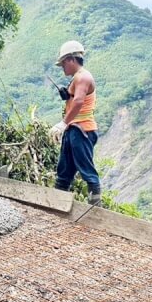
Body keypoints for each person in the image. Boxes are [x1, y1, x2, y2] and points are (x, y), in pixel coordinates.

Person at [49, 40, 102, 205]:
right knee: (64, 172)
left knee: (87, 171)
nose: (62, 67)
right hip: (73, 131)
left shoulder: (83, 77)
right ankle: (58, 206)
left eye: (63, 63)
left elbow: (79, 101)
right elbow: (74, 99)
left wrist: (63, 123)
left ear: (71, 59)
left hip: (82, 130)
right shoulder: (77, 79)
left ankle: (96, 211)